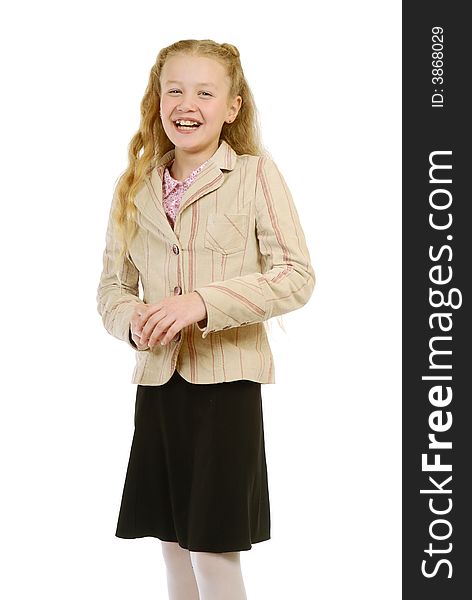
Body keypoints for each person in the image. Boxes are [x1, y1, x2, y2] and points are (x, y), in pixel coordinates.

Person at [96, 38, 315, 600]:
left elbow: (295, 275)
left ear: (232, 106)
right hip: (158, 384)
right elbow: (112, 288)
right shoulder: (136, 186)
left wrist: (201, 303)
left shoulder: (255, 175)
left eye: (204, 91)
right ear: (156, 99)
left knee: (212, 551)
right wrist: (131, 320)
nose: (186, 103)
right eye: (174, 89)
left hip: (226, 386)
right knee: (170, 544)